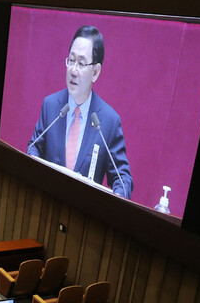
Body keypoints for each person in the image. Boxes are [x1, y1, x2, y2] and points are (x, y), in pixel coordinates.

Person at [26, 25, 132, 198]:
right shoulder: (51, 106)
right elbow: (34, 148)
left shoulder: (109, 121)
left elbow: (122, 178)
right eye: (71, 60)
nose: (73, 70)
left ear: (95, 72)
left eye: (81, 63)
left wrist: (119, 196)